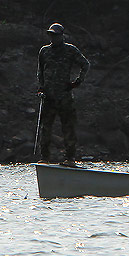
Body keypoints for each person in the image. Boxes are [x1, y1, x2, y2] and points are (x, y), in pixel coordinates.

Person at [36, 23, 91, 166]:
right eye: (51, 34)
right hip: (48, 97)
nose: (52, 37)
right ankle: (44, 157)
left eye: (55, 35)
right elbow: (40, 71)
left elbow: (85, 64)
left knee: (68, 128)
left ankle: (70, 158)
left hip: (64, 96)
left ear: (61, 36)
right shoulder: (44, 51)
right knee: (46, 128)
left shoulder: (70, 50)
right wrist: (41, 88)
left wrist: (77, 82)